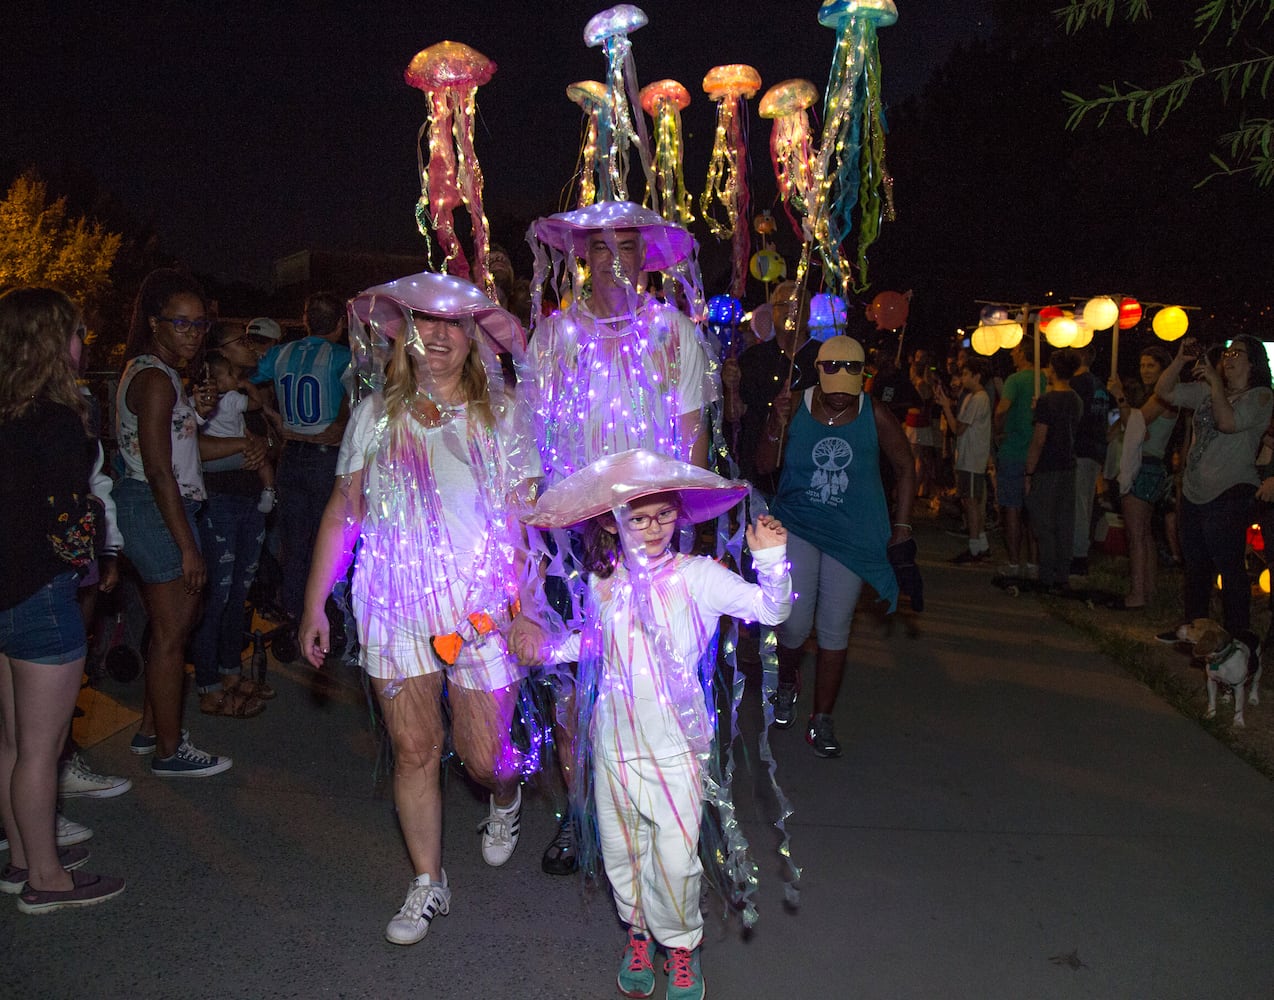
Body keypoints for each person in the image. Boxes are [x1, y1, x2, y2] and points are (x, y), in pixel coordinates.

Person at [298, 272, 538, 947]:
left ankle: (504, 797)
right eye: (423, 321)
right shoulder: (376, 415)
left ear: (473, 338)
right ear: (402, 332)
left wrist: (527, 606)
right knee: (413, 749)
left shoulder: (504, 413)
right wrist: (316, 601)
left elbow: (527, 521)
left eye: (453, 322)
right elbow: (346, 508)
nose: (437, 334)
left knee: (484, 755)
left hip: (483, 609)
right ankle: (428, 881)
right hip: (393, 603)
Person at [521, 449, 792, 1000]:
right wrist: (545, 647)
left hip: (675, 752)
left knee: (675, 859)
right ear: (611, 521)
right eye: (638, 518)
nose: (652, 529)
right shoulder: (603, 584)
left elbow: (771, 610)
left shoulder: (696, 577)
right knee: (623, 854)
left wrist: (772, 559)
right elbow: (595, 647)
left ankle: (682, 947)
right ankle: (639, 936)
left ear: (680, 515)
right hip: (614, 748)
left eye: (664, 515)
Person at [525, 200, 718, 876]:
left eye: (626, 248)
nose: (612, 259)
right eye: (599, 247)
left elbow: (692, 445)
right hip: (572, 541)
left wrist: (679, 537)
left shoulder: (675, 335)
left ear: (645, 259)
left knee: (655, 685)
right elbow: (529, 440)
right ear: (582, 257)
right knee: (574, 686)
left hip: (650, 537)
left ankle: (659, 814)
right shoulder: (554, 339)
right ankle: (580, 818)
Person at [0, 286, 125, 912]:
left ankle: (23, 855)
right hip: (41, 592)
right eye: (76, 334)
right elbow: (69, 523)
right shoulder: (55, 421)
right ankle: (45, 881)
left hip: (4, 589)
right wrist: (97, 527)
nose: (84, 346)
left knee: (14, 743)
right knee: (43, 751)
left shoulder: (6, 413)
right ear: (54, 343)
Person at [115, 268, 262, 775]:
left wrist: (197, 415)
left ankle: (152, 731)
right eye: (181, 323)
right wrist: (188, 547)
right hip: (159, 510)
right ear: (154, 322)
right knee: (174, 632)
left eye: (200, 325)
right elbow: (158, 471)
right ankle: (170, 752)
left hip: (164, 506)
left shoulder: (159, 373)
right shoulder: (155, 379)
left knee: (171, 628)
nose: (193, 334)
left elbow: (178, 447)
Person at [756, 335, 915, 756]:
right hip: (800, 527)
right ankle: (788, 680)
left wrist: (901, 524)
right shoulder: (793, 404)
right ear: (819, 373)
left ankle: (821, 719)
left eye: (851, 383)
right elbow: (762, 466)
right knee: (792, 623)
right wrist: (775, 423)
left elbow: (905, 466)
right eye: (833, 382)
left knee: (834, 626)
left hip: (854, 534)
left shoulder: (874, 413)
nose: (841, 394)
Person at [1154, 335, 1273, 640]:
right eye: (1228, 353)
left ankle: (1237, 635)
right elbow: (1163, 390)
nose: (1229, 358)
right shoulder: (1206, 391)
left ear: (1253, 362)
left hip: (1231, 489)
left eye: (1237, 354)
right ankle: (1195, 630)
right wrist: (1180, 359)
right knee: (1196, 565)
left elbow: (1228, 423)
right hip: (1194, 490)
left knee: (1228, 565)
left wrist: (1216, 386)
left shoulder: (1260, 397)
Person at [189, 337, 279, 718]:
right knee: (218, 595)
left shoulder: (246, 392)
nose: (254, 347)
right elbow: (192, 443)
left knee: (238, 592)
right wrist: (246, 443)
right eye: (244, 341)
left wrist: (262, 446)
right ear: (223, 351)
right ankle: (209, 680)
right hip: (220, 500)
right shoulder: (203, 391)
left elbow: (273, 439)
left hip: (250, 499)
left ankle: (231, 670)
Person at [251, 292, 351, 629]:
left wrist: (271, 415)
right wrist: (339, 424)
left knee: (294, 545)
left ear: (305, 320)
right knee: (331, 542)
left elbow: (246, 379)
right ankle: (327, 618)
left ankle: (294, 617)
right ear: (341, 323)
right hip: (327, 460)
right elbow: (363, 396)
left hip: (291, 457)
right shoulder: (342, 357)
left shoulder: (280, 354)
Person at [731, 280, 821, 494]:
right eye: (783, 304)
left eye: (798, 304)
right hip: (758, 467)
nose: (791, 310)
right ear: (772, 312)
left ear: (808, 313)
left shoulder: (822, 357)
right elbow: (734, 413)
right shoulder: (754, 357)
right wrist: (731, 386)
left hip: (807, 468)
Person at [1112, 346, 1178, 610]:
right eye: (1142, 365)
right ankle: (1148, 590)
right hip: (1154, 466)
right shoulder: (1162, 397)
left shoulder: (1162, 398)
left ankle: (1138, 593)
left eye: (1151, 365)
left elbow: (1138, 428)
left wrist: (1120, 398)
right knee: (1146, 533)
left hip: (1146, 466)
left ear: (1164, 369)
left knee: (1136, 533)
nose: (1145, 371)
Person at [1024, 349, 1083, 593]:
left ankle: (1047, 574)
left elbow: (1039, 439)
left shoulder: (1048, 402)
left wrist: (1029, 471)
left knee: (1044, 522)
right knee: (1064, 521)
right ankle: (1062, 573)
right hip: (1068, 465)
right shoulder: (1076, 399)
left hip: (1047, 467)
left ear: (1051, 369)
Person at [994, 341, 1046, 578]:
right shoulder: (1046, 380)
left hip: (1014, 451)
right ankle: (1035, 564)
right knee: (1034, 511)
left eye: (1015, 350)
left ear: (1024, 353)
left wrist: (998, 427)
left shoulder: (1014, 381)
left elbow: (1003, 408)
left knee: (1012, 509)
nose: (1012, 354)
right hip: (1039, 453)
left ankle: (1014, 562)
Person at [936, 355, 993, 564]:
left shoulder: (979, 398)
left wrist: (945, 407)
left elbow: (958, 428)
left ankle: (975, 548)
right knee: (971, 502)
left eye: (967, 374)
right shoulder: (974, 397)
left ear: (977, 376)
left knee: (971, 503)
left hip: (972, 459)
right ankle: (981, 545)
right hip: (969, 458)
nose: (963, 378)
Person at [1069, 345, 1112, 576]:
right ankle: (1080, 550)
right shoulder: (1100, 386)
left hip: (1081, 449)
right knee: (1084, 501)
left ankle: (1078, 555)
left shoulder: (1078, 384)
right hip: (1094, 449)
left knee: (1078, 504)